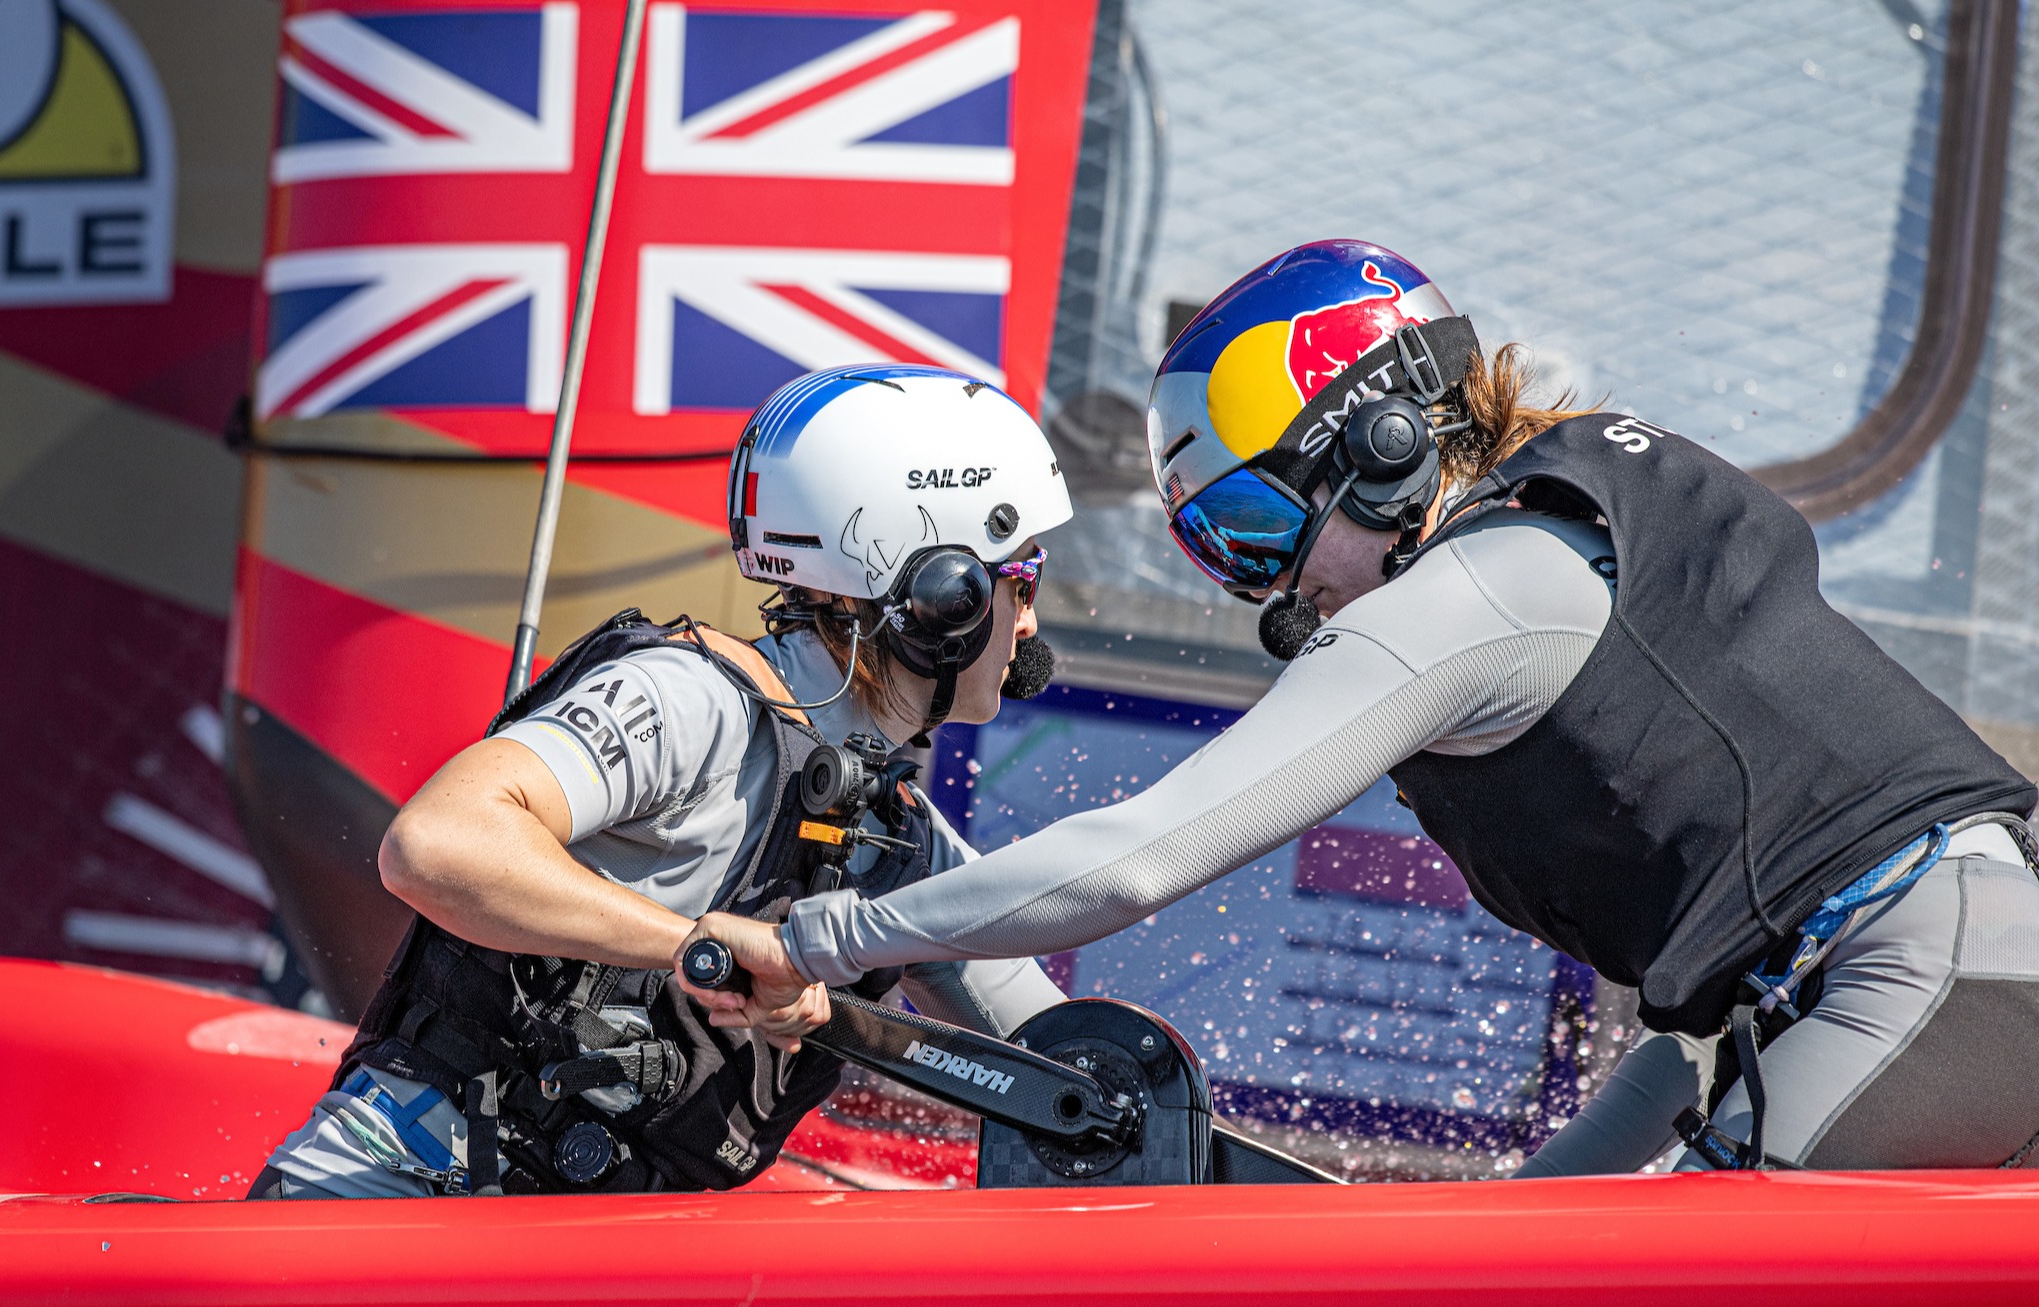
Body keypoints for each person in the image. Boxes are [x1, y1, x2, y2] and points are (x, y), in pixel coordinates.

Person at [685, 240, 2039, 1174]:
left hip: (1927, 974)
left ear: (1382, 448)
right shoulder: (1559, 546)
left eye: (1260, 524)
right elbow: (1708, 1021)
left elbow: (1136, 856)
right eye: (1221, 553)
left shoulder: (1480, 593)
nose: (1275, 594)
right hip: (1937, 974)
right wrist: (1512, 1234)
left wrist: (820, 935)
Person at [251, 364, 1073, 1198]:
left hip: (565, 1267)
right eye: (1023, 580)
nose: (1031, 621)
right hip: (385, 1208)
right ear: (942, 596)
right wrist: (704, 950)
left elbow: (1057, 1048)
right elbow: (434, 844)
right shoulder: (689, 700)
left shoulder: (898, 837)